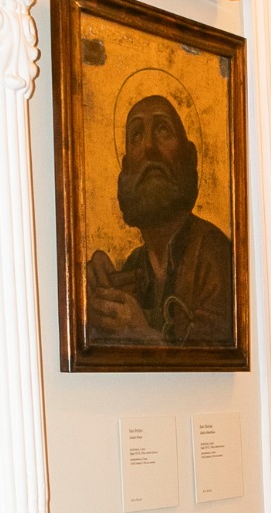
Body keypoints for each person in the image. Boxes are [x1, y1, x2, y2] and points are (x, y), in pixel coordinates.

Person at [86, 94, 233, 346]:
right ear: (126, 170)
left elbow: (211, 361)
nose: (149, 148)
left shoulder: (214, 255)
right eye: (136, 135)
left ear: (190, 156)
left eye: (163, 129)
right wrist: (96, 290)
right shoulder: (136, 265)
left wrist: (140, 332)